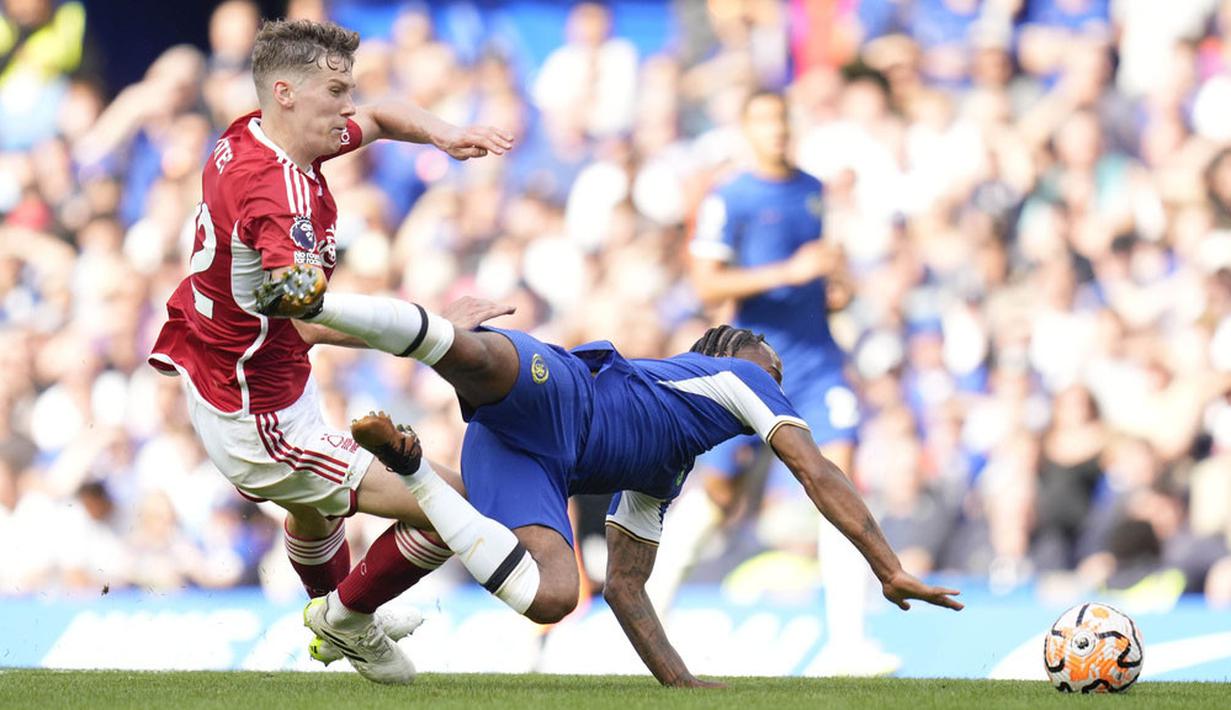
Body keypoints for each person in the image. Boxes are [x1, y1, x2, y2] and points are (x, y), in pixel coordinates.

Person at [255, 270, 964, 687]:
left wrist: (681, 683)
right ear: (729, 350)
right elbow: (813, 468)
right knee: (468, 356)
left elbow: (624, 586)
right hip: (565, 390)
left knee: (555, 598)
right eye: (764, 355)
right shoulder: (735, 373)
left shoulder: (666, 470)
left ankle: (412, 468)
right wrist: (886, 566)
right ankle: (315, 311)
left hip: (520, 461)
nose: (773, 366)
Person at [146, 18, 514, 685]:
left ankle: (341, 619)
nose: (347, 105)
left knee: (314, 513)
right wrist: (437, 328)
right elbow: (308, 313)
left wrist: (441, 131)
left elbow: (375, 116)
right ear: (284, 92)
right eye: (334, 89)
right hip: (256, 415)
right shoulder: (280, 198)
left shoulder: (247, 134)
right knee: (452, 504)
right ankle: (346, 619)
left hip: (246, 370)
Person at [681, 89, 885, 675]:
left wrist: (834, 285)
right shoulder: (730, 197)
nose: (777, 131)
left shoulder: (814, 190)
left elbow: (824, 276)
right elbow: (706, 287)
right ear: (747, 130)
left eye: (784, 120)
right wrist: (790, 272)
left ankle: (849, 645)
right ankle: (638, 617)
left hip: (819, 363)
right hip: (754, 369)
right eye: (765, 121)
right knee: (719, 500)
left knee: (836, 480)